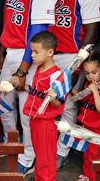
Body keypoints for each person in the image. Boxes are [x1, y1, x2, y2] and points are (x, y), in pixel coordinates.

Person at [0, 0, 57, 174]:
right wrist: (2, 50)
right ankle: (13, 143)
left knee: (26, 109)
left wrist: (23, 68)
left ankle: (28, 154)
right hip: (11, 50)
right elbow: (10, 19)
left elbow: (38, 30)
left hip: (29, 55)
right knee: (3, 100)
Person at [47, 0, 100, 169]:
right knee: (44, 100)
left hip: (71, 54)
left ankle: (61, 151)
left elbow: (91, 31)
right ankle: (45, 147)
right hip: (47, 53)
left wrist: (78, 63)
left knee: (68, 104)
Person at [22, 31, 68, 181]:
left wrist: (53, 96)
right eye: (31, 51)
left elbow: (57, 104)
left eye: (36, 52)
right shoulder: (38, 68)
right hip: (35, 118)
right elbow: (36, 93)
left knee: (46, 159)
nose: (32, 55)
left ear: (50, 52)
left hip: (46, 123)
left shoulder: (56, 75)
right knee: (40, 155)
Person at [72, 52, 100, 181]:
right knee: (86, 154)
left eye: (94, 72)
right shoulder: (89, 84)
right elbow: (76, 98)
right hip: (85, 127)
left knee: (96, 157)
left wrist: (94, 91)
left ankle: (94, 178)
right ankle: (87, 175)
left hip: (98, 130)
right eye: (87, 73)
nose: (90, 76)